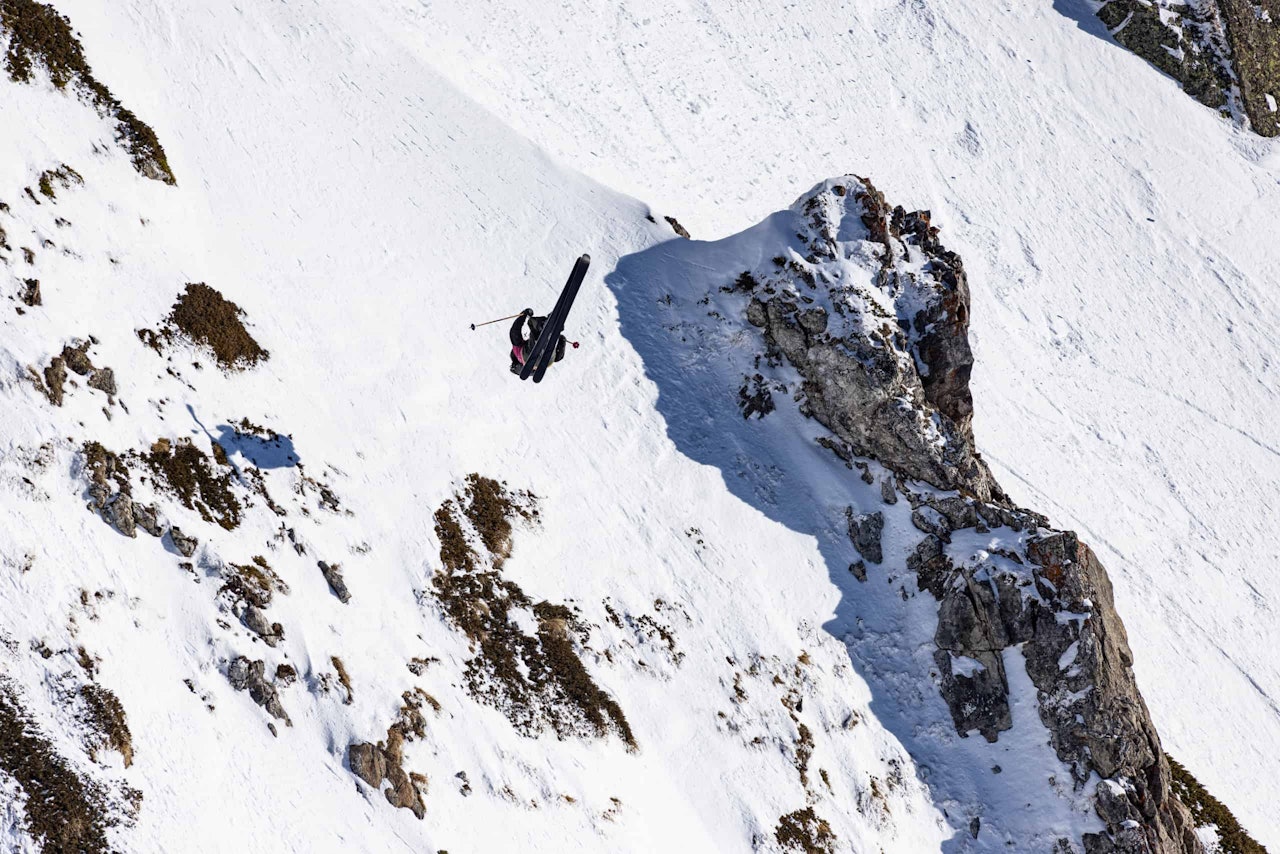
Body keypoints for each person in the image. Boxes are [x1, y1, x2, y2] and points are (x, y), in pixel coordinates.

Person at [509, 308, 567, 374]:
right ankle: (545, 325)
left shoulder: (530, 370)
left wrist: (562, 342)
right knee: (532, 323)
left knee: (544, 341)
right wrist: (523, 315)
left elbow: (559, 357)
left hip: (548, 361)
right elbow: (514, 331)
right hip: (529, 356)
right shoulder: (517, 351)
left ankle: (552, 328)